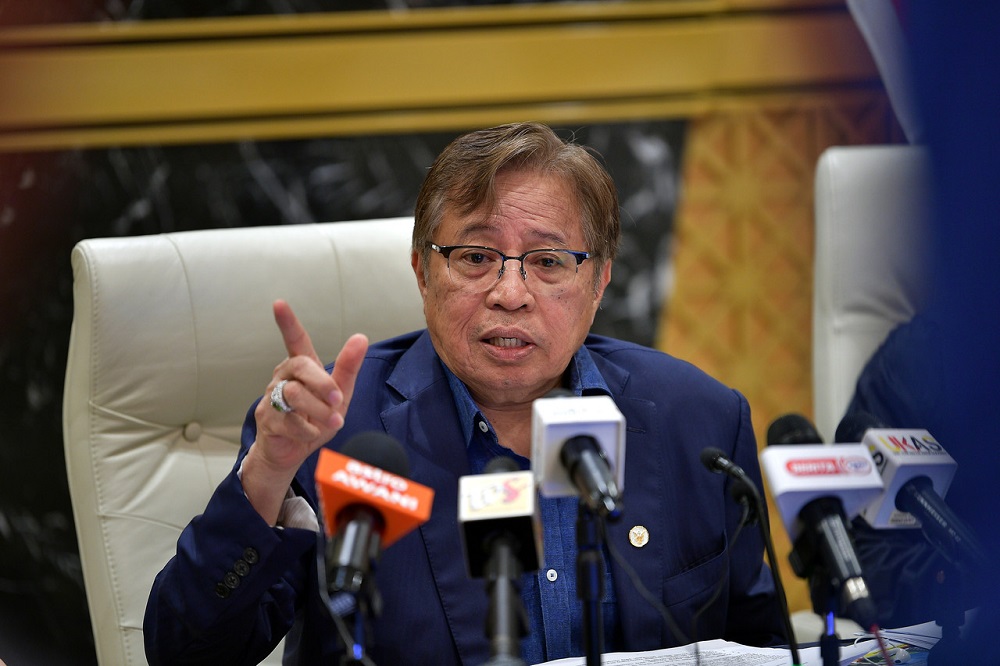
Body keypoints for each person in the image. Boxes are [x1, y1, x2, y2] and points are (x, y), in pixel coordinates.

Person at [143, 122, 785, 665]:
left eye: (549, 261)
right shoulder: (332, 428)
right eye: (475, 257)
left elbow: (763, 648)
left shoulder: (697, 422)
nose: (510, 292)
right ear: (422, 270)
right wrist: (270, 471)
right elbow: (187, 651)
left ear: (600, 283)